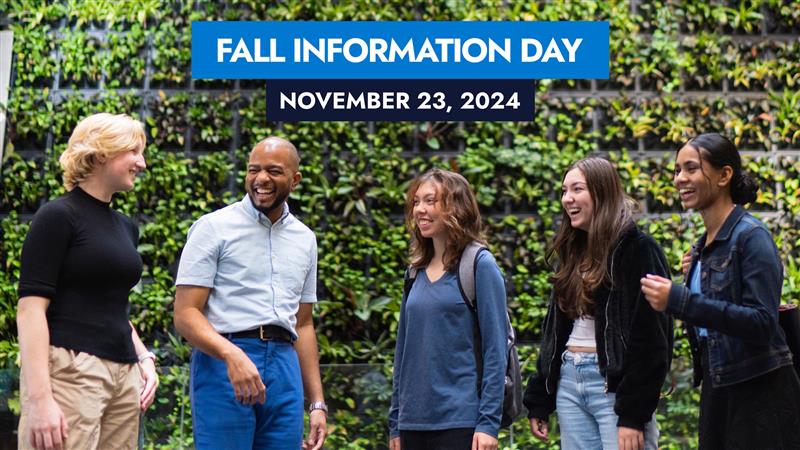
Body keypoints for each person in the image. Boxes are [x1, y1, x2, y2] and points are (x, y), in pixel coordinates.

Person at [640, 133, 800, 449]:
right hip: (719, 386)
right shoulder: (703, 249)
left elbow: (762, 322)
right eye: (677, 171)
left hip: (761, 394)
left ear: (724, 175)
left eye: (691, 168)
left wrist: (680, 300)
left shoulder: (752, 237)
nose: (680, 179)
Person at [173, 136, 327, 450]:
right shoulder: (212, 227)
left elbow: (303, 324)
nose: (261, 179)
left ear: (294, 180)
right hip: (224, 359)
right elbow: (186, 314)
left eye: (273, 171)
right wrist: (231, 355)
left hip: (285, 365)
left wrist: (317, 403)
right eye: (253, 170)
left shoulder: (305, 239)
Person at [16, 113, 158, 450]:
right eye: (133, 151)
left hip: (124, 377)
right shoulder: (58, 216)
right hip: (70, 370)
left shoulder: (126, 227)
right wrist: (39, 400)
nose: (142, 162)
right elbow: (30, 310)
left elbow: (111, 307)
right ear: (100, 154)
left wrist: (144, 358)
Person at [524, 157, 672, 450]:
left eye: (577, 189)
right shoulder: (572, 252)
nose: (568, 199)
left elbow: (653, 338)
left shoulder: (639, 250)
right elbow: (554, 332)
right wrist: (540, 397)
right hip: (569, 382)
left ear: (602, 192)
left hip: (614, 389)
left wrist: (632, 414)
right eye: (564, 190)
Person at [388, 168, 508, 450]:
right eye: (416, 202)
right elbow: (402, 353)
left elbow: (496, 350)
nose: (420, 210)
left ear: (456, 207)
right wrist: (395, 422)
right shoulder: (414, 274)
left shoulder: (479, 265)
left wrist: (488, 423)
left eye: (431, 201)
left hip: (460, 422)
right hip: (412, 424)